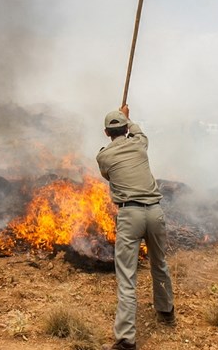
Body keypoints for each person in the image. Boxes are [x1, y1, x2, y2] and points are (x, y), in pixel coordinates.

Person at [96, 105, 175, 350]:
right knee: (159, 264)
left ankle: (126, 340)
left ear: (107, 133)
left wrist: (121, 125)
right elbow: (138, 132)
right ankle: (166, 312)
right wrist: (128, 118)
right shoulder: (140, 143)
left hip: (130, 214)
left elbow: (109, 175)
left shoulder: (104, 156)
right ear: (126, 128)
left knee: (127, 277)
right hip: (154, 211)